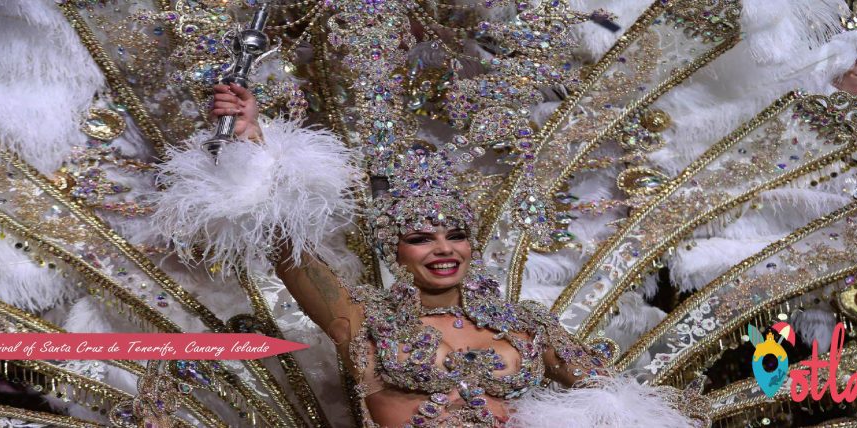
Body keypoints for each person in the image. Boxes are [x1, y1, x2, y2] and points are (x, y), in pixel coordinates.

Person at [208, 83, 710, 427]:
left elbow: (617, 403)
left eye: (455, 235)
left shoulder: (526, 326)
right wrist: (254, 146)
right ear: (397, 252)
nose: (444, 248)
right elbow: (288, 252)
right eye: (422, 238)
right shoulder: (363, 321)